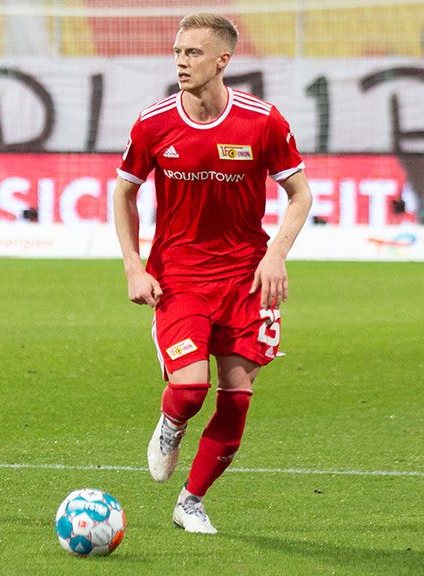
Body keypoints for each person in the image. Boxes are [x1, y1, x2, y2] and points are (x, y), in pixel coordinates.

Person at [112, 13, 313, 535]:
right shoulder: (153, 122)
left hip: (247, 276)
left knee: (238, 391)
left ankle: (192, 501)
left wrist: (277, 254)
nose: (181, 61)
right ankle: (172, 423)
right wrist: (134, 266)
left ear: (223, 59)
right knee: (191, 391)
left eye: (193, 53)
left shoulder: (262, 120)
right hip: (179, 274)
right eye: (178, 52)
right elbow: (125, 191)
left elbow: (300, 194)